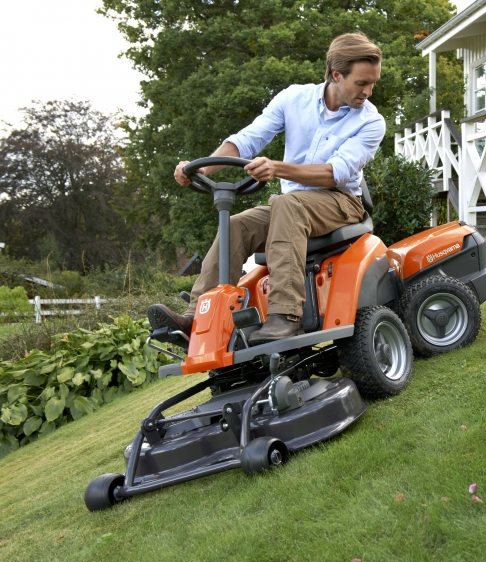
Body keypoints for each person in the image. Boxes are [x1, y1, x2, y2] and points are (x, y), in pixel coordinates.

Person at [147, 32, 385, 343]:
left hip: (341, 202)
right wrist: (201, 169)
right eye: (362, 83)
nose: (368, 91)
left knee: (287, 204)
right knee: (236, 225)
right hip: (294, 205)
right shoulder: (293, 99)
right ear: (336, 74)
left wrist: (277, 168)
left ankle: (285, 315)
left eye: (373, 83)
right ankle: (197, 319)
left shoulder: (371, 122)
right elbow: (248, 139)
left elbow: (334, 174)